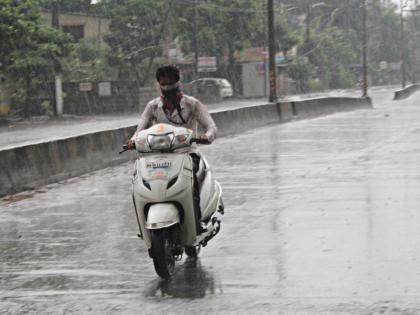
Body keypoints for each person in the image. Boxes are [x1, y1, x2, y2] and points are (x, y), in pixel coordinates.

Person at [127, 65, 218, 233]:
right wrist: (133, 141)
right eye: (163, 84)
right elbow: (140, 129)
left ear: (179, 83)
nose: (167, 87)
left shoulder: (193, 104)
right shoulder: (152, 107)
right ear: (158, 85)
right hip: (156, 157)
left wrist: (207, 136)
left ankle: (197, 221)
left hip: (186, 154)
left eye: (171, 83)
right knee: (137, 182)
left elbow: (211, 127)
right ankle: (143, 226)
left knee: (192, 183)